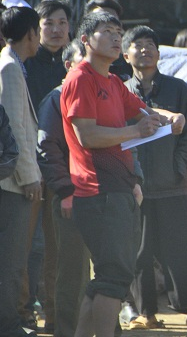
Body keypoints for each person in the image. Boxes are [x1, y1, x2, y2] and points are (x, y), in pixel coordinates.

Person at [60, 11, 185, 337]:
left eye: (119, 31)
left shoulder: (113, 82)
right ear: (85, 40)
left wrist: (169, 116)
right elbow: (88, 136)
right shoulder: (80, 78)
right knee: (114, 278)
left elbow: (144, 112)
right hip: (98, 192)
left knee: (106, 277)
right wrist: (134, 131)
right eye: (107, 31)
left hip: (119, 189)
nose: (117, 37)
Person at [122, 26, 187, 331]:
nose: (145, 50)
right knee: (140, 253)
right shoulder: (121, 93)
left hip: (173, 186)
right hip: (136, 188)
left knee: (181, 251)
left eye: (151, 45)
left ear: (159, 54)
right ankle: (146, 313)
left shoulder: (178, 89)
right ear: (125, 55)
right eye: (137, 45)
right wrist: (128, 177)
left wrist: (180, 170)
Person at [18, 0, 71, 333]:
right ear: (36, 30)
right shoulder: (25, 65)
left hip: (64, 169)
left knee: (59, 247)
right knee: (23, 245)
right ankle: (23, 312)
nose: (55, 29)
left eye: (62, 22)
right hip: (27, 167)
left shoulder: (74, 68)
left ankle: (55, 314)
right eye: (48, 23)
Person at [36, 39, 91, 337]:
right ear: (69, 65)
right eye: (85, 58)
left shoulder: (98, 93)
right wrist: (65, 191)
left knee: (98, 268)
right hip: (70, 194)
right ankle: (64, 327)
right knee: (68, 267)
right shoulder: (56, 99)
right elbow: (46, 149)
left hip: (97, 192)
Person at [0, 6, 42, 337]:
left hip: (13, 181)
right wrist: (29, 176)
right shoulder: (10, 68)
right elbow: (15, 128)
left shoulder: (13, 64)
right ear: (31, 33)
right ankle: (9, 326)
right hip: (12, 184)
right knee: (11, 263)